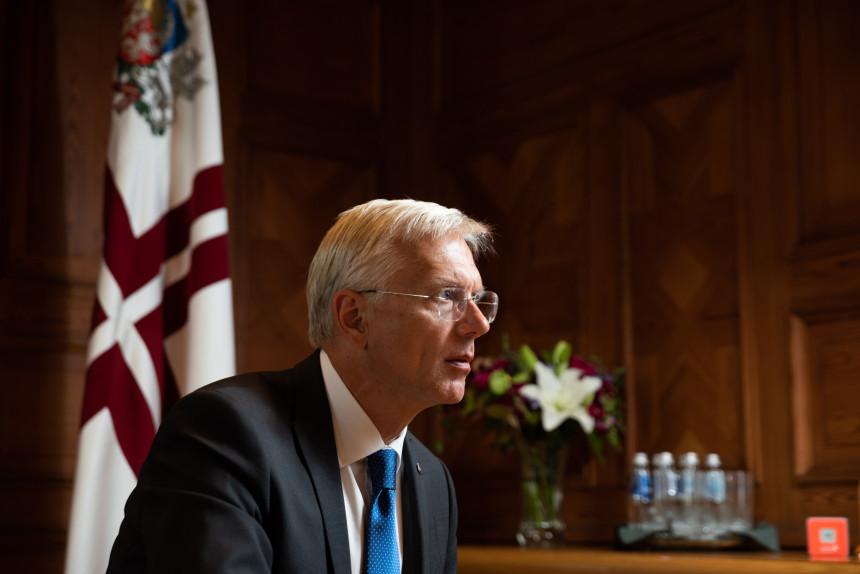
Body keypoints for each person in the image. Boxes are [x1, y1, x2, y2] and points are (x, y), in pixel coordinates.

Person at [106, 198, 498, 573]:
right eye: (447, 296)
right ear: (355, 318)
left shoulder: (433, 482)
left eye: (479, 299)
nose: (479, 324)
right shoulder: (223, 434)